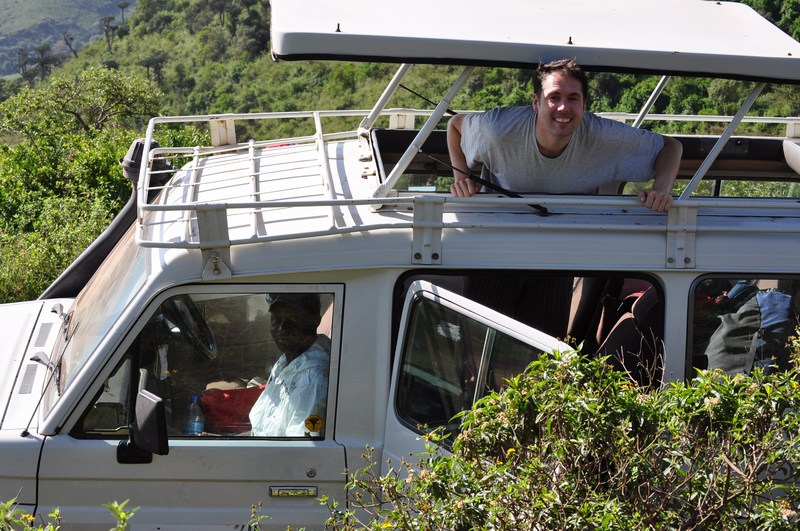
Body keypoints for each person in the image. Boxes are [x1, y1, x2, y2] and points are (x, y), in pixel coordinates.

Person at [448, 58, 682, 212]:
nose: (563, 107)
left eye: (573, 98)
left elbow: (670, 146)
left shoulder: (602, 135)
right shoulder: (497, 129)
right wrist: (461, 180)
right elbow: (455, 126)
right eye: (554, 97)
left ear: (584, 105)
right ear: (536, 103)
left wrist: (661, 189)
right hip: (496, 226)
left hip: (569, 232)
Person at [249, 293, 331, 437]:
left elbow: (300, 446)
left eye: (292, 320)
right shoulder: (289, 360)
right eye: (276, 320)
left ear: (314, 321)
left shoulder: (313, 379)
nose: (282, 329)